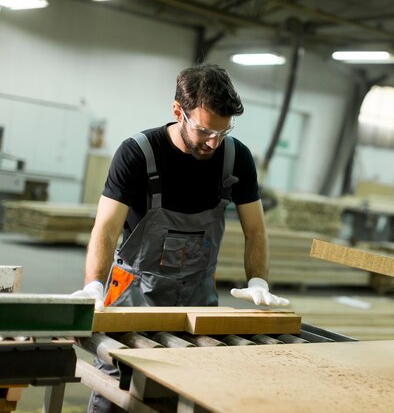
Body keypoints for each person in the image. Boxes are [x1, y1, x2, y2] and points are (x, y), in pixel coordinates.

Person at [72, 63, 289, 412]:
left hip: (196, 302)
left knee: (186, 395)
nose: (214, 142)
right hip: (133, 298)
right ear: (177, 111)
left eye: (223, 131)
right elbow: (107, 228)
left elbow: (256, 230)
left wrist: (259, 280)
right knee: (116, 396)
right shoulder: (138, 154)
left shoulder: (236, 159)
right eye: (204, 130)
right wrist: (93, 285)